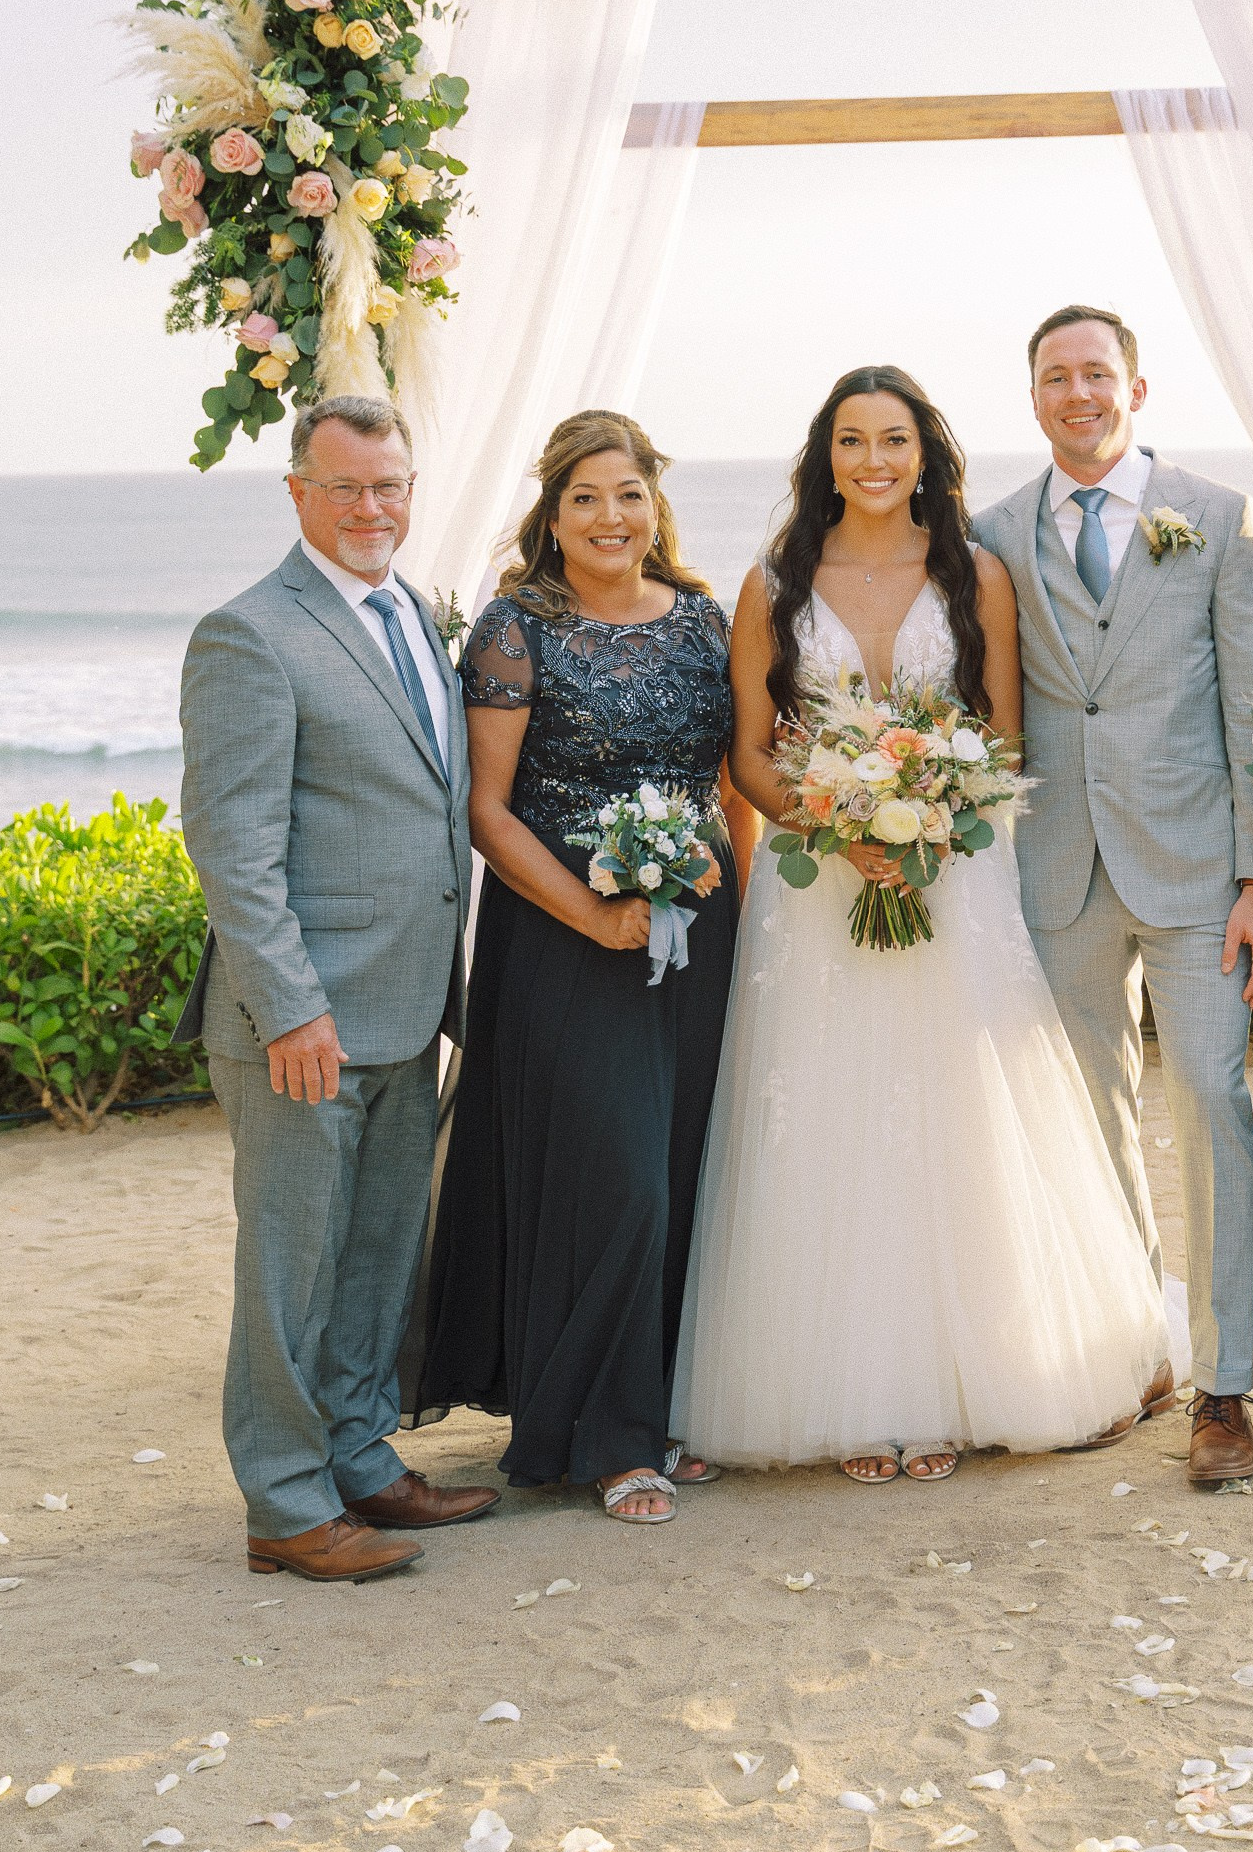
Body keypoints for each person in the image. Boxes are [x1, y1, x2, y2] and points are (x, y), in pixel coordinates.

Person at [672, 365, 1170, 1481]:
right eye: (851, 442)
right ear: (824, 458)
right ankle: (850, 1401)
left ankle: (963, 1384)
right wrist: (838, 824)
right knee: (831, 1118)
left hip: (957, 880)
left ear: (924, 453)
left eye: (892, 440)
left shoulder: (974, 576)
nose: (872, 463)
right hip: (821, 891)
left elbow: (1001, 738)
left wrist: (929, 823)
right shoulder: (773, 585)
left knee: (960, 1117)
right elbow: (749, 751)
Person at [177, 392, 494, 1583]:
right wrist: (288, 1007)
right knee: (290, 1275)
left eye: (391, 485)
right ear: (299, 493)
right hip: (300, 1023)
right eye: (349, 486)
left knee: (374, 1259)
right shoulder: (250, 633)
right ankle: (285, 1505)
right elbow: (232, 844)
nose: (373, 508)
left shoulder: (411, 611)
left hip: (409, 1005)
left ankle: (362, 1461)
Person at [418, 413, 748, 1525]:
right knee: (618, 1179)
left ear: (656, 504)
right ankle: (607, 1443)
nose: (612, 518)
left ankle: (644, 1409)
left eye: (629, 495)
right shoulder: (517, 630)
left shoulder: (704, 620)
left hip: (699, 930)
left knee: (684, 1163)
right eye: (586, 499)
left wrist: (738, 913)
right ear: (551, 515)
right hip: (563, 932)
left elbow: (732, 783)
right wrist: (590, 917)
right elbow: (489, 812)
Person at [972, 308, 1253, 1489]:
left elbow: (1250, 710)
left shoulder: (1213, 517)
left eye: (1096, 373)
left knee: (1212, 1104)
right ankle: (1130, 1358)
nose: (1077, 393)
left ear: (1135, 387)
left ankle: (1226, 1386)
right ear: (1033, 394)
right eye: (1055, 376)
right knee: (1084, 1119)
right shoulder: (991, 532)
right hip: (1055, 868)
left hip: (1199, 869)